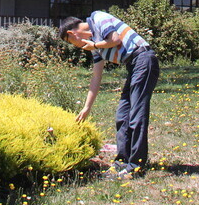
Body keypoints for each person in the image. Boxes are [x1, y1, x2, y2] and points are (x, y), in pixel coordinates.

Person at [59, 11, 159, 179]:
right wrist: (86, 108)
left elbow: (115, 40)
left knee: (136, 114)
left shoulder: (98, 18)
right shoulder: (94, 45)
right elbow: (96, 77)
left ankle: (136, 166)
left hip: (144, 59)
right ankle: (122, 162)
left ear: (72, 33)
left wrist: (95, 46)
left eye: (71, 42)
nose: (76, 46)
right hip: (133, 65)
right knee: (122, 115)